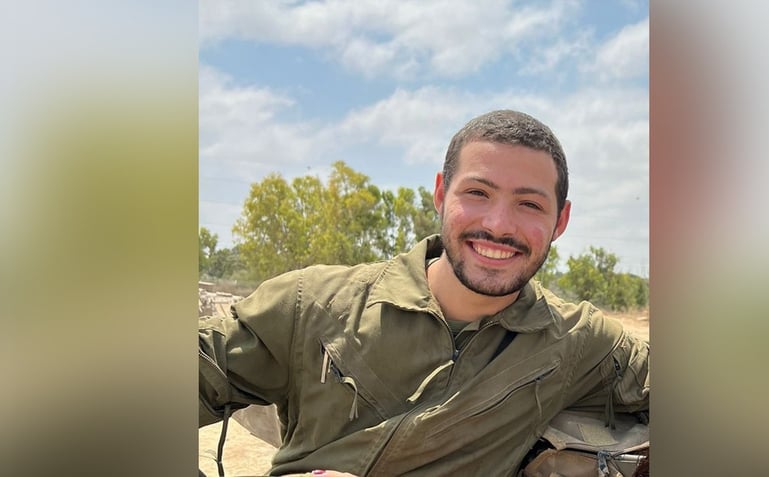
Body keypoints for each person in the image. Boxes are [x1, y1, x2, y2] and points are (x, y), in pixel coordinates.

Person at [199, 110, 650, 476]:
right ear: (440, 194)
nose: (498, 225)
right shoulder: (314, 304)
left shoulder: (574, 340)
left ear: (561, 221)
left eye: (529, 204)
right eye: (477, 192)